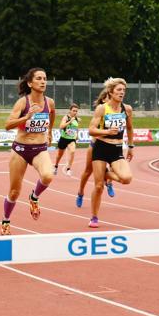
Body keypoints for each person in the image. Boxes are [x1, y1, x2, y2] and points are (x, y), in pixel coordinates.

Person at [0, 67, 55, 235]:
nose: (43, 81)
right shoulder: (23, 102)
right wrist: (26, 117)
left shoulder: (49, 102)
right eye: (38, 78)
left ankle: (34, 197)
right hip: (21, 149)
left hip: (39, 148)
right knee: (14, 192)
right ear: (30, 83)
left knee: (48, 175)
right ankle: (6, 221)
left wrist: (50, 131)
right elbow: (8, 125)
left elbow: (52, 115)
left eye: (44, 78)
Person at [86, 78, 134, 228]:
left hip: (117, 149)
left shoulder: (127, 109)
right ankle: (94, 217)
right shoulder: (102, 108)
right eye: (119, 90)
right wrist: (106, 131)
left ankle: (106, 174)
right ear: (111, 92)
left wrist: (131, 146)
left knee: (126, 179)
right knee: (99, 186)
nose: (122, 93)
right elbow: (91, 130)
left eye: (123, 90)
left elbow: (130, 128)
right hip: (101, 147)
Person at [75, 89, 117, 208]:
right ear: (104, 99)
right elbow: (92, 131)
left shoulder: (117, 112)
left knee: (116, 166)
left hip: (113, 146)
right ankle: (80, 192)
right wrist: (106, 132)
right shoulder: (100, 111)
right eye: (110, 98)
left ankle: (109, 182)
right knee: (88, 171)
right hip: (96, 146)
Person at [54, 103, 80, 176]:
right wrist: (70, 121)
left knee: (72, 151)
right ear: (70, 111)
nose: (75, 112)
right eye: (74, 111)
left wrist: (77, 135)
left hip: (71, 139)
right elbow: (61, 126)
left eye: (76, 111)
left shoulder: (77, 118)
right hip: (63, 139)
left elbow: (76, 127)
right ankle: (56, 166)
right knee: (59, 155)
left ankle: (68, 169)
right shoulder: (66, 117)